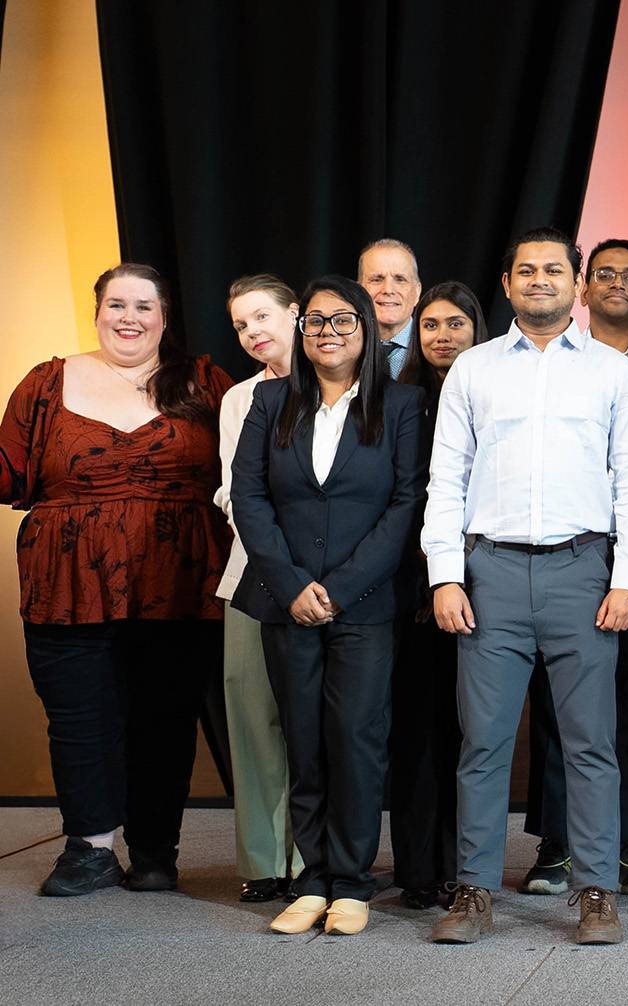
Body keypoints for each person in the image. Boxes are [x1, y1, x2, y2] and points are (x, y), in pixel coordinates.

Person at [424, 227, 628, 947]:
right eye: (526, 270)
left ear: (576, 282)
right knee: (483, 743)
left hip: (582, 571)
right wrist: (444, 574)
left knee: (590, 744)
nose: (540, 280)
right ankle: (473, 891)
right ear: (506, 283)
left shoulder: (613, 372)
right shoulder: (474, 369)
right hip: (488, 571)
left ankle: (595, 891)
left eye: (554, 269)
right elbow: (446, 481)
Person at [2, 263, 234, 896]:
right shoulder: (47, 383)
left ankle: (156, 850)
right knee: (80, 717)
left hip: (179, 580)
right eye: (116, 304)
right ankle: (89, 849)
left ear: (164, 317)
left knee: (164, 717)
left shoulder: (206, 382)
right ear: (97, 310)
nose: (128, 317)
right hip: (67, 580)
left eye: (144, 306)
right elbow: (8, 474)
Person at [231, 275, 424, 935]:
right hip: (286, 602)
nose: (329, 332)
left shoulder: (400, 405)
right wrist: (291, 584)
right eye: (316, 321)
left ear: (366, 329)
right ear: (301, 330)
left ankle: (352, 881)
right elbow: (249, 498)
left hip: (364, 607)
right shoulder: (269, 401)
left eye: (343, 321)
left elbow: (405, 505)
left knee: (357, 743)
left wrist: (339, 589)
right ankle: (311, 879)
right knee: (305, 743)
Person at [523, 239, 628, 896]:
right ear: (584, 290)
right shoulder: (551, 366)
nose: (618, 284)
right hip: (565, 557)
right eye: (605, 273)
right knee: (559, 701)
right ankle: (558, 843)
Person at [388, 281, 491, 910]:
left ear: (478, 328)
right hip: (408, 586)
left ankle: (466, 866)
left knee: (470, 729)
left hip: (481, 580)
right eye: (430, 325)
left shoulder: (490, 393)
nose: (443, 336)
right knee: (416, 729)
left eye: (456, 323)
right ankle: (419, 869)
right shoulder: (399, 402)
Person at [215, 274, 305, 902]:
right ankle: (264, 860)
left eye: (263, 316)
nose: (253, 332)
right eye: (242, 325)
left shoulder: (343, 385)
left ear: (296, 314)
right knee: (253, 717)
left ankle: (313, 858)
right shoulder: (238, 399)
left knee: (315, 721)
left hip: (326, 578)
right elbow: (229, 492)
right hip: (251, 573)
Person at [359, 238, 421, 379]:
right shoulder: (340, 349)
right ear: (359, 290)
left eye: (400, 279)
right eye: (376, 279)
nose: (388, 289)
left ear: (417, 292)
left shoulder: (435, 348)